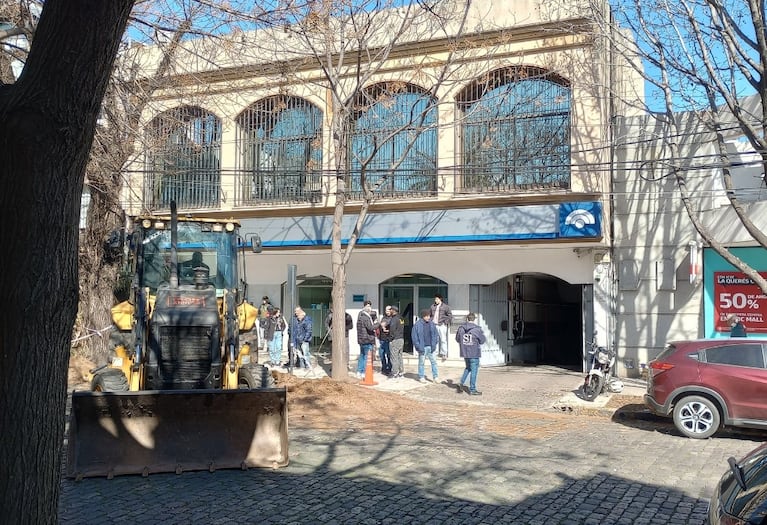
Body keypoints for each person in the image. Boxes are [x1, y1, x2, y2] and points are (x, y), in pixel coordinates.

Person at [455, 312, 486, 395]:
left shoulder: (461, 328)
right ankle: (472, 389)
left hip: (465, 352)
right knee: (474, 370)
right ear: (474, 319)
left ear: (467, 319)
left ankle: (461, 383)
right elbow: (482, 340)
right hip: (474, 352)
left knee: (468, 368)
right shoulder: (477, 329)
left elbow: (457, 339)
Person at [412, 309, 439, 383]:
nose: (428, 317)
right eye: (426, 316)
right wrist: (418, 346)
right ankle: (421, 376)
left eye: (429, 316)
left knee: (434, 362)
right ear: (423, 316)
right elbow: (414, 337)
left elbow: (436, 334)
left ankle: (435, 377)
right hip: (422, 347)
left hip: (431, 346)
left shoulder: (432, 324)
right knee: (421, 363)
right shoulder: (417, 325)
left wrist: (435, 342)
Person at [356, 300, 380, 379]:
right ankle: (364, 372)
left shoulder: (360, 317)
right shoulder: (365, 318)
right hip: (367, 339)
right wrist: (378, 324)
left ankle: (359, 371)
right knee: (367, 357)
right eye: (369, 307)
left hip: (361, 340)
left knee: (362, 356)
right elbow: (370, 327)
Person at [430, 294, 453, 361]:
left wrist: (445, 322)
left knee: (443, 339)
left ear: (440, 299)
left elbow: (450, 315)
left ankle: (444, 353)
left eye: (437, 299)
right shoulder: (432, 306)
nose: (435, 300)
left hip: (442, 324)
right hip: (434, 325)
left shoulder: (445, 307)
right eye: (435, 299)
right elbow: (431, 315)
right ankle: (435, 352)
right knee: (435, 339)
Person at [387, 305, 405, 379]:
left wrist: (390, 339)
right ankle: (401, 372)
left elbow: (392, 330)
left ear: (393, 311)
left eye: (390, 310)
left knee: (394, 357)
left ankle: (395, 373)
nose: (389, 311)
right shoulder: (401, 318)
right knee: (399, 356)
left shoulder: (394, 319)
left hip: (395, 340)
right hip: (401, 339)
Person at [378, 305, 393, 376]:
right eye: (386, 310)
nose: (387, 312)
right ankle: (384, 367)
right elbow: (381, 326)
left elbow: (392, 328)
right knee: (381, 354)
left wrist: (386, 327)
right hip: (382, 338)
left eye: (388, 310)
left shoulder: (393, 318)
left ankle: (389, 368)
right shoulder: (383, 317)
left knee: (388, 354)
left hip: (388, 339)